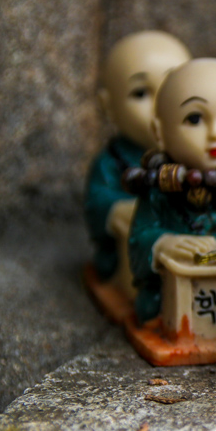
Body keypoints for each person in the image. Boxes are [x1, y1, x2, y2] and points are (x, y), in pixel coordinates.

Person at [128, 58, 216, 323]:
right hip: (184, 286)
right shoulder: (160, 191)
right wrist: (164, 243)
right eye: (194, 119)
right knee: (151, 307)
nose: (215, 133)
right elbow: (138, 238)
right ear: (159, 132)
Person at [84, 31, 190, 279]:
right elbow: (96, 202)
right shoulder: (113, 162)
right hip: (134, 255)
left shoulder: (194, 155)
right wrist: (117, 209)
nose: (158, 106)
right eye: (141, 93)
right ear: (107, 106)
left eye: (171, 89)